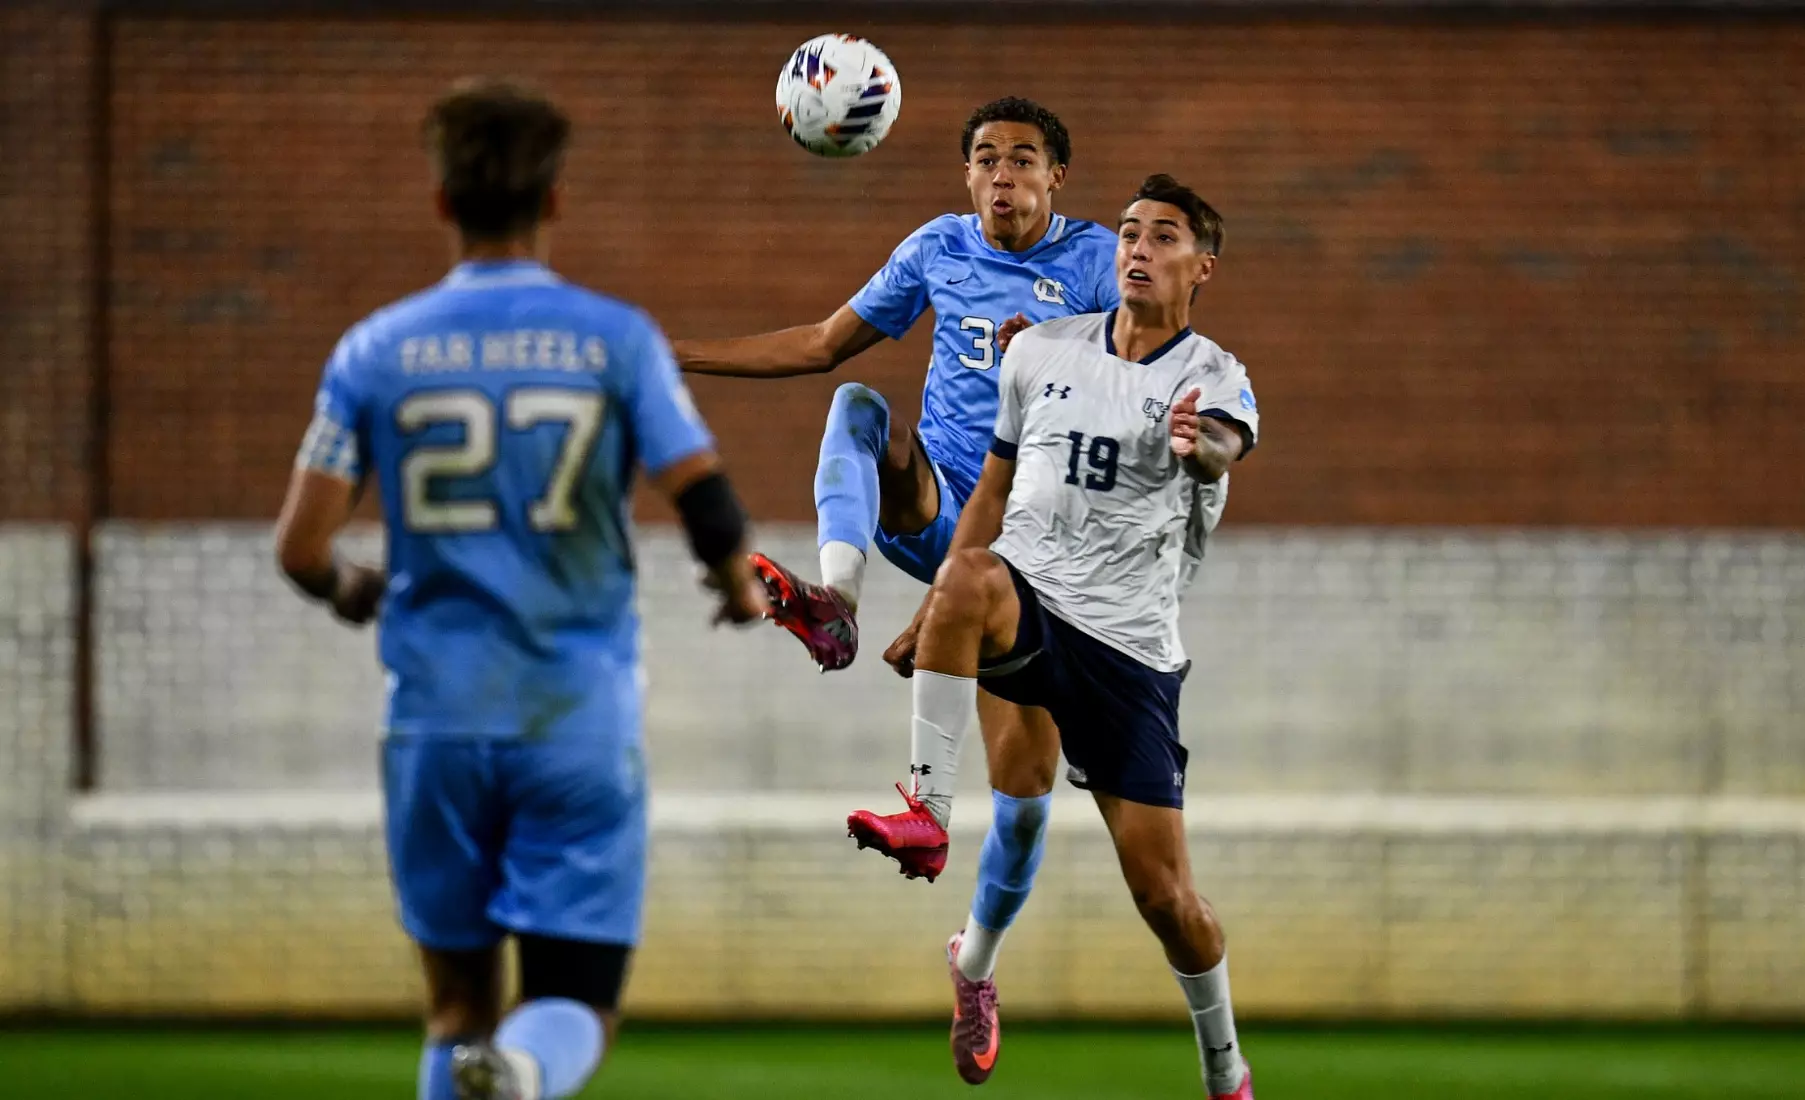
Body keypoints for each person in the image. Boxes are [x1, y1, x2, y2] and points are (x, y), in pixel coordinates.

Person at [272, 78, 766, 1100]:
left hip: (434, 722)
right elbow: (707, 501)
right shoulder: (615, 338)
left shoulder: (373, 348)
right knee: (576, 1002)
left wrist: (351, 588)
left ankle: (488, 1065)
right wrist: (733, 585)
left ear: (444, 203)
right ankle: (529, 1070)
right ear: (555, 202)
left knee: (454, 1011)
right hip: (573, 715)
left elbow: (299, 547)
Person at [674, 99, 1116, 903]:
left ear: (1056, 177)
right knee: (856, 403)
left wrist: (1055, 350)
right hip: (940, 507)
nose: (1001, 175)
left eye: (1021, 159)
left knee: (1022, 801)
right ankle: (835, 601)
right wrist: (673, 356)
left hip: (1038, 542)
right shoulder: (937, 247)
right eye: (985, 158)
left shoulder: (1097, 262)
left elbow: (1139, 382)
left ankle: (975, 961)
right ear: (967, 174)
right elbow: (820, 342)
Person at [885, 174, 1258, 1098]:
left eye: (1163, 236)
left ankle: (1225, 1068)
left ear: (1200, 266)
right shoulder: (1041, 352)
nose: (1137, 247)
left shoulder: (1211, 372)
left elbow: (1225, 442)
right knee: (970, 577)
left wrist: (1199, 443)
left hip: (1128, 654)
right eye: (1129, 231)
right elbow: (991, 493)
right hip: (1032, 608)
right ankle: (926, 821)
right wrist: (936, 608)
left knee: (1168, 904)